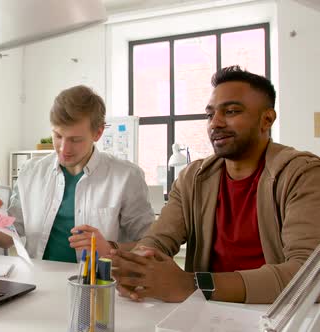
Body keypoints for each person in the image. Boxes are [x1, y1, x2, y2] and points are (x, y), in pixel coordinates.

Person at [109, 66, 320, 304]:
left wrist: (193, 285)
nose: (215, 123)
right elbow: (158, 240)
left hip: (272, 315)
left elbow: (309, 276)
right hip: (206, 314)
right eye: (210, 115)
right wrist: (137, 267)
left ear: (267, 119)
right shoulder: (192, 178)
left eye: (231, 111)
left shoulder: (303, 174)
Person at [0, 85, 154, 263]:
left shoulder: (127, 177)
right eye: (58, 136)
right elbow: (8, 238)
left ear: (98, 133)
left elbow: (150, 245)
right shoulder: (30, 172)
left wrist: (110, 249)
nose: (64, 149)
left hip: (97, 285)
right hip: (38, 281)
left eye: (75, 139)